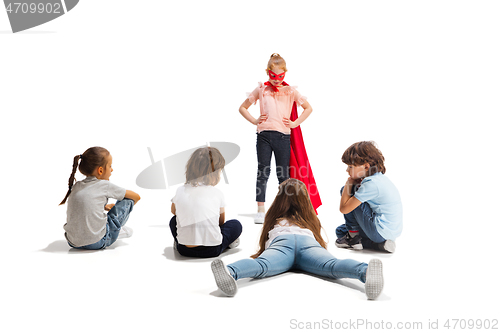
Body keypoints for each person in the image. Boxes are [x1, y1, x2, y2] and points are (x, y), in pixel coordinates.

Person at [211, 178, 384, 300]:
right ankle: (366, 271)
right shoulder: (309, 219)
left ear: (279, 199)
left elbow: (265, 241)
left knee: (261, 265)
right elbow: (317, 238)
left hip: (281, 242)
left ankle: (231, 272)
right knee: (333, 266)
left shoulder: (275, 217)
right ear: (305, 200)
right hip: (308, 243)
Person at [239, 53, 320, 223]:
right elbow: (243, 107)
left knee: (283, 174)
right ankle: (261, 209)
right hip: (264, 136)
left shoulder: (290, 91)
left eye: (280, 76)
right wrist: (254, 120)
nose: (276, 80)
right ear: (268, 72)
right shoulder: (262, 89)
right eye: (273, 76)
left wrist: (295, 123)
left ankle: (284, 209)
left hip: (283, 136)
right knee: (263, 171)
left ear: (285, 74)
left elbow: (308, 108)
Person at [60, 147, 141, 250]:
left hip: (72, 242)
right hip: (97, 242)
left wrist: (105, 206)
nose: (112, 169)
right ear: (100, 170)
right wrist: (122, 212)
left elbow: (85, 204)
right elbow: (136, 196)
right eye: (110, 166)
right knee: (128, 200)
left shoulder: (77, 186)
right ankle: (116, 231)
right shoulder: (104, 185)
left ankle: (104, 229)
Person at [170, 147, 242, 258]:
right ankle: (228, 243)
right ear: (215, 173)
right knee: (236, 225)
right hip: (212, 250)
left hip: (184, 249)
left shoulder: (180, 190)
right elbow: (221, 221)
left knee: (173, 221)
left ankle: (181, 240)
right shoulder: (217, 193)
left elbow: (174, 211)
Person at [336, 141, 403, 253]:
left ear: (366, 167)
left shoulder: (371, 184)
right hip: (389, 232)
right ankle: (380, 245)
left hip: (379, 232)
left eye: (350, 166)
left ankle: (354, 239)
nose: (347, 170)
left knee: (347, 191)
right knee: (341, 231)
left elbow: (344, 208)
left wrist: (349, 184)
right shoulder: (379, 179)